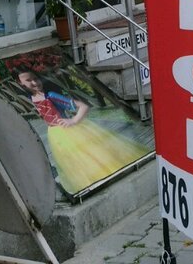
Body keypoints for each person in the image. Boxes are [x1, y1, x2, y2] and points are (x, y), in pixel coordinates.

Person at [16, 69, 148, 195]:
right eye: (28, 80)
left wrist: (74, 120)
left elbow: (83, 106)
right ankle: (91, 183)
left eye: (36, 78)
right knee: (74, 160)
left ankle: (105, 177)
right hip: (56, 135)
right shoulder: (30, 98)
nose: (34, 82)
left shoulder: (50, 96)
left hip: (70, 131)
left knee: (91, 154)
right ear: (20, 84)